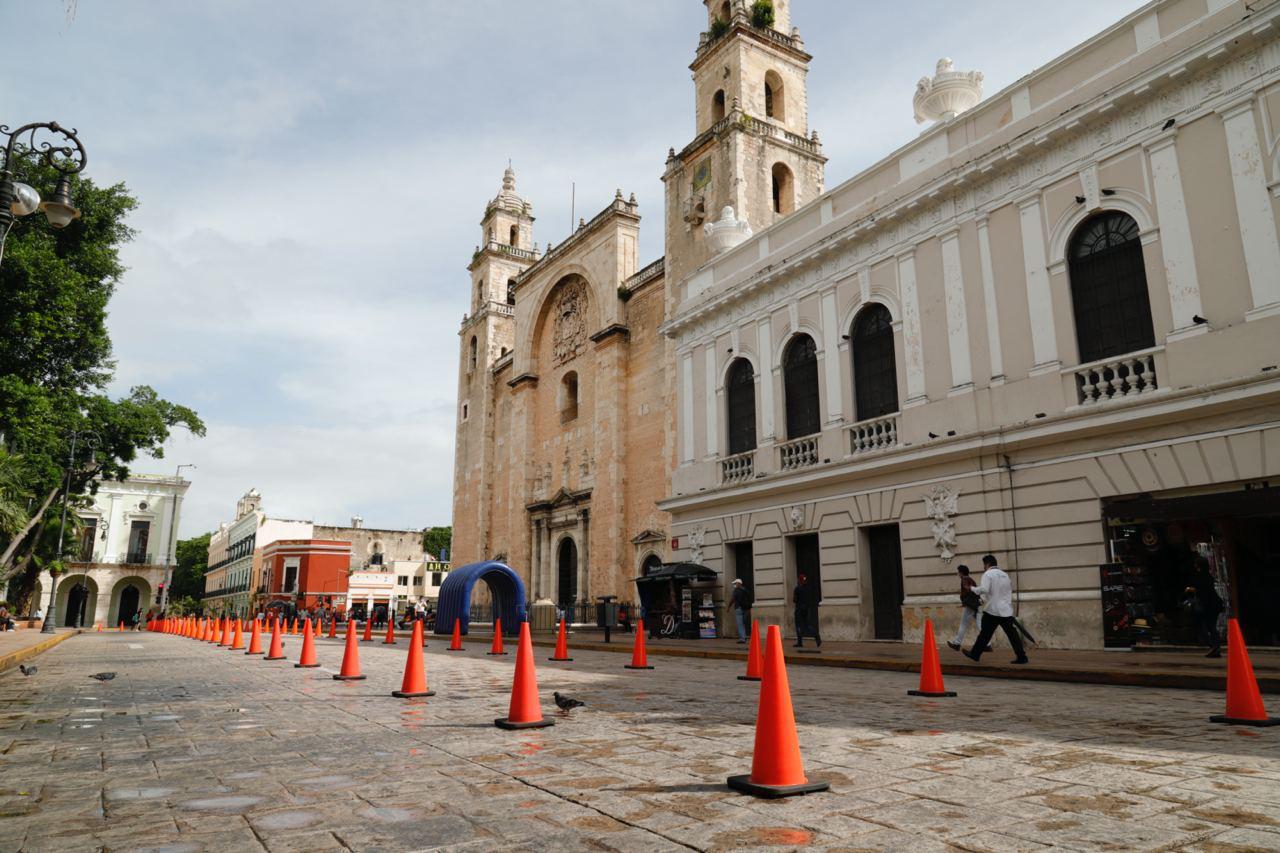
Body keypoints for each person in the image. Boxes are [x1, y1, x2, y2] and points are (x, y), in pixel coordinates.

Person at [962, 554, 1028, 664]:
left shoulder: (988, 574)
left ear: (987, 564)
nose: (983, 567)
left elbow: (984, 589)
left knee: (985, 634)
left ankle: (975, 654)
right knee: (1012, 635)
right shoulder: (1005, 575)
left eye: (984, 565)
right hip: (1005, 610)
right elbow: (1008, 592)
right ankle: (1022, 656)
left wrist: (971, 588)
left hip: (993, 610)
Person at [1185, 557, 1224, 658]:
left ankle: (1213, 645)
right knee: (1211, 626)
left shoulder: (1200, 577)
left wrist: (1191, 590)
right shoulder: (1208, 576)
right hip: (1214, 604)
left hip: (1207, 605)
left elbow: (1201, 591)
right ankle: (1215, 646)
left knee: (1204, 626)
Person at [947, 565, 991, 652]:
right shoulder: (971, 579)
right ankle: (987, 644)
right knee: (980, 624)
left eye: (958, 572)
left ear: (961, 573)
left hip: (971, 605)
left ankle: (957, 643)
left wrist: (965, 600)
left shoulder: (964, 580)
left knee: (963, 624)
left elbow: (968, 590)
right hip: (977, 604)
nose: (957, 574)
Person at [793, 574, 822, 648]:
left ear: (799, 580)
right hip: (806, 609)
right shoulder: (808, 588)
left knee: (798, 626)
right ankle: (817, 637)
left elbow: (794, 600)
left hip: (799, 609)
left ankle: (800, 642)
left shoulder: (797, 589)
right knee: (808, 625)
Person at [729, 578, 752, 643]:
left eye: (735, 583)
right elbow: (750, 598)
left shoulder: (736, 590)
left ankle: (742, 638)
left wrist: (728, 607)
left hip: (738, 608)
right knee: (743, 623)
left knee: (740, 624)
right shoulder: (746, 590)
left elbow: (732, 599)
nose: (734, 585)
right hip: (746, 608)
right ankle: (744, 636)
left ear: (738, 583)